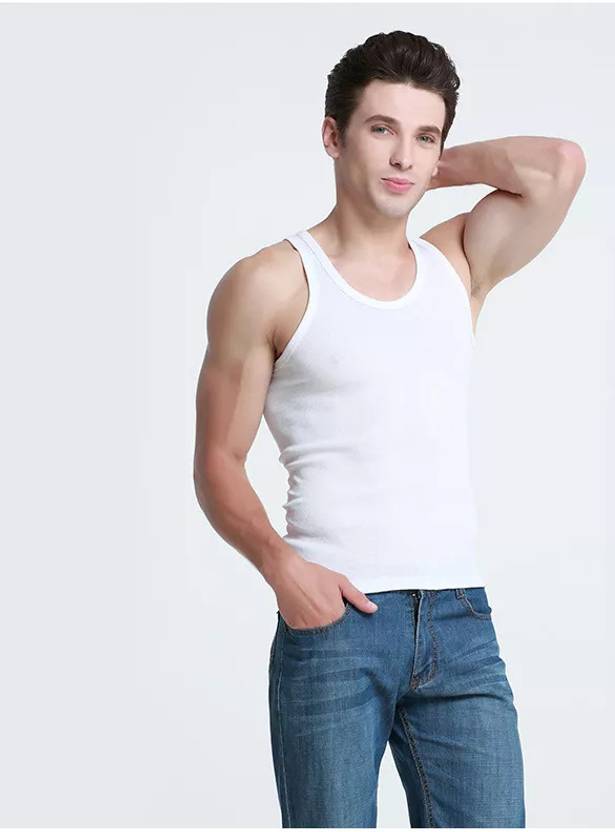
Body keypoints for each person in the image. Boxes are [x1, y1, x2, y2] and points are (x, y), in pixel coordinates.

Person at [193, 30, 585, 829]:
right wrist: (282, 569)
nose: (404, 156)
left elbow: (560, 166)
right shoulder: (271, 282)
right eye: (381, 130)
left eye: (424, 136)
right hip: (336, 625)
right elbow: (217, 461)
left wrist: (433, 165)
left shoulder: (457, 265)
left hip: (460, 621)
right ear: (333, 135)